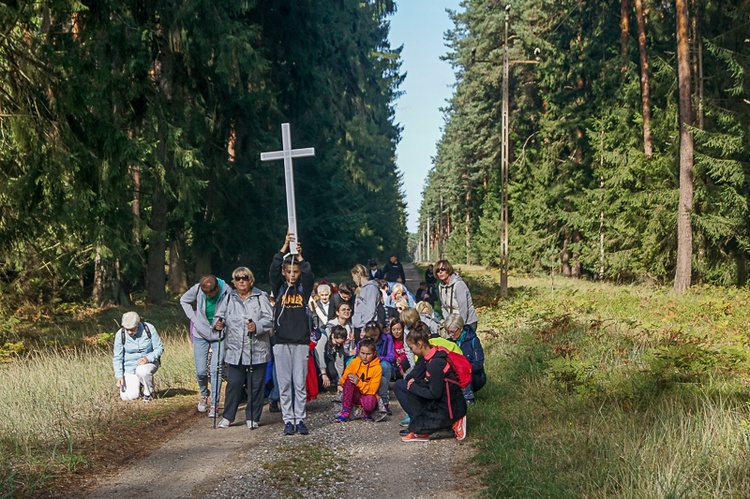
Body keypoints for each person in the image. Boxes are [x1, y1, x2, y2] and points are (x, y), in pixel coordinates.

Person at [214, 268, 273, 429]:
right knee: (233, 383)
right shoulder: (228, 298)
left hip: (257, 348)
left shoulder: (261, 296)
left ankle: (253, 417)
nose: (241, 281)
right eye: (238, 278)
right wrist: (218, 324)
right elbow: (218, 317)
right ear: (233, 281)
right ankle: (228, 416)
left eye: (245, 278)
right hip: (235, 350)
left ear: (251, 280)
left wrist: (258, 326)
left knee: (256, 384)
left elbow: (270, 319)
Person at [270, 232, 315, 436]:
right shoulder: (278, 288)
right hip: (281, 342)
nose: (292, 275)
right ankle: (288, 420)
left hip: (300, 342)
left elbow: (309, 275)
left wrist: (299, 256)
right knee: (285, 383)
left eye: (295, 272)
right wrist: (284, 246)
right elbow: (272, 269)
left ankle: (300, 419)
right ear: (283, 272)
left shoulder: (302, 290)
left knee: (299, 383)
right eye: (289, 272)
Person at [393, 323, 467, 441]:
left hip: (451, 407)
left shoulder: (435, 363)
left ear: (420, 344)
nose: (411, 351)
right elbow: (416, 377)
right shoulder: (429, 357)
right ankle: (421, 427)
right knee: (411, 389)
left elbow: (435, 393)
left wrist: (413, 387)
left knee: (413, 391)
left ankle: (454, 421)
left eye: (411, 348)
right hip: (441, 401)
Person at [180, 275, 231, 416]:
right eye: (205, 293)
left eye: (210, 293)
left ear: (217, 289)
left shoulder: (227, 291)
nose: (208, 296)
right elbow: (183, 300)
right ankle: (204, 393)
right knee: (201, 371)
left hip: (220, 335)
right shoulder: (197, 289)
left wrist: (224, 322)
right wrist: (194, 319)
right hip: (200, 334)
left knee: (216, 370)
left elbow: (233, 312)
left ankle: (214, 404)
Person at [113, 311, 164, 402]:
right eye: (126, 329)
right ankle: (140, 384)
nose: (129, 332)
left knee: (142, 370)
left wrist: (148, 359)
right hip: (129, 367)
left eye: (132, 329)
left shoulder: (149, 328)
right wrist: (119, 376)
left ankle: (149, 392)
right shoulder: (120, 334)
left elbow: (159, 348)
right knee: (128, 397)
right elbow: (117, 357)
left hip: (149, 364)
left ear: (137, 324)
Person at [335, 337, 382, 422]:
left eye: (368, 354)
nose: (365, 357)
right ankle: (346, 410)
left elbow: (372, 390)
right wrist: (350, 379)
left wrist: (359, 382)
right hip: (354, 394)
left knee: (370, 402)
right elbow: (343, 381)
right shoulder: (354, 362)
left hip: (367, 395)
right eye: (362, 353)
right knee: (349, 379)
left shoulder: (377, 368)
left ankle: (366, 412)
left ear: (374, 353)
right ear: (358, 352)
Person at [444, 314, 486, 405]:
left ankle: (469, 399)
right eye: (448, 332)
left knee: (462, 373)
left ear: (460, 329)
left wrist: (464, 368)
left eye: (453, 332)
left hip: (475, 375)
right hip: (455, 375)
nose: (450, 335)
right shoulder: (449, 342)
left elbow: (479, 363)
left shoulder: (473, 340)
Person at [435, 259, 478, 332]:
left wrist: (459, 326)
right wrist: (448, 322)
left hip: (467, 322)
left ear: (448, 270)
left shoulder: (459, 285)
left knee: (464, 343)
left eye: (443, 269)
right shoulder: (441, 286)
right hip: (452, 322)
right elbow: (443, 306)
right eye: (437, 270)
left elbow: (463, 308)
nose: (440, 272)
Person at [363, 321, 394, 418]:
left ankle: (384, 397)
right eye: (372, 336)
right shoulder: (364, 340)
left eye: (376, 335)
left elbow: (391, 357)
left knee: (385, 366)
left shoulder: (387, 339)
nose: (374, 338)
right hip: (368, 364)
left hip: (382, 362)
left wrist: (379, 358)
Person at [351, 264, 381, 336]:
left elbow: (370, 310)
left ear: (357, 275)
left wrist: (365, 329)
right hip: (357, 327)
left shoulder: (371, 288)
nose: (353, 280)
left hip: (366, 329)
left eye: (353, 277)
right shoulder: (360, 289)